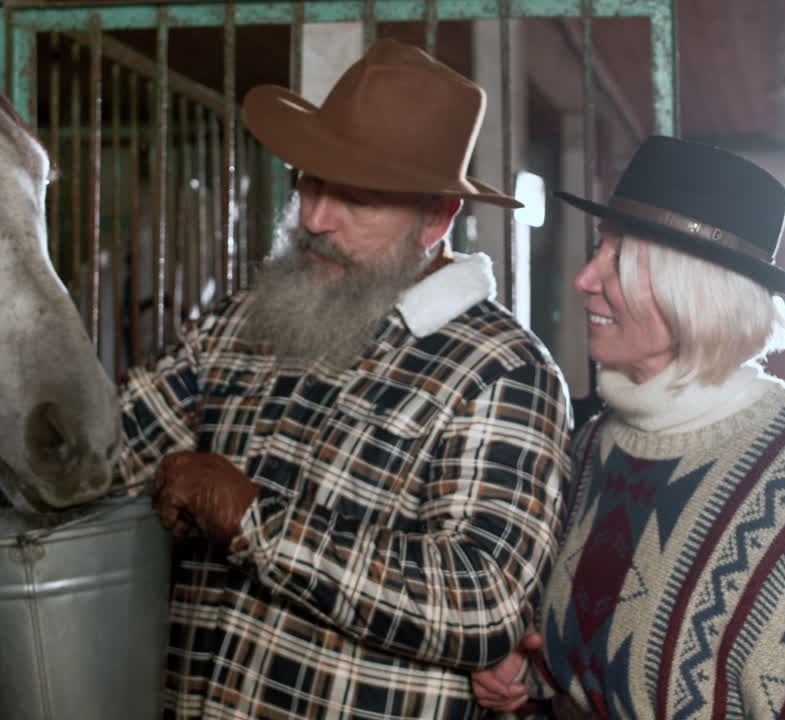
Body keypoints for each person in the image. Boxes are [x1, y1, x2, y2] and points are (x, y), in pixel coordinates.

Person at [116, 39, 573, 718]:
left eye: (356, 199)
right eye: (310, 180)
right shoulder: (249, 315)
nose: (314, 218)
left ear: (436, 219)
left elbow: (483, 603)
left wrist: (255, 523)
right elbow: (112, 452)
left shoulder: (501, 370)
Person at [471, 135, 785, 718]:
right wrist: (524, 673)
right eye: (598, 249)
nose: (584, 279)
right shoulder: (589, 444)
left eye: (617, 259)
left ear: (691, 292)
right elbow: (586, 654)